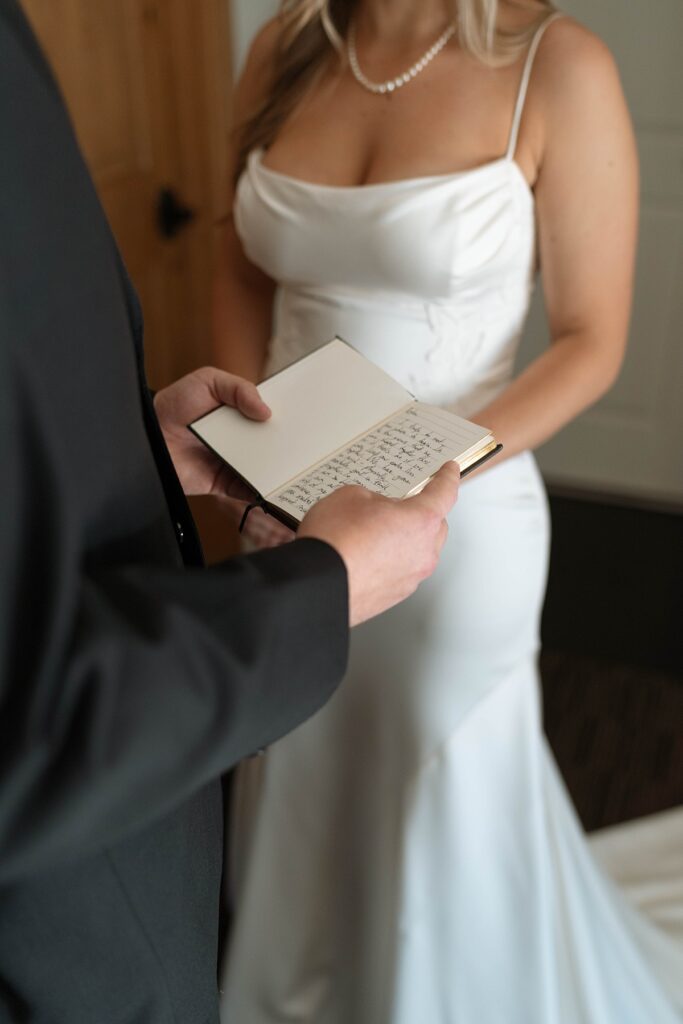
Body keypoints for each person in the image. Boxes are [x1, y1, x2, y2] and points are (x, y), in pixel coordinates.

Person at [214, 1, 683, 1021]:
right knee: (298, 751)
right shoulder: (282, 48)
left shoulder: (555, 65)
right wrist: (242, 454)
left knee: (433, 784)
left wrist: (424, 469)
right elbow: (241, 264)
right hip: (289, 516)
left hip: (454, 520)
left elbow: (590, 338)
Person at [0, 2, 461, 1021]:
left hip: (437, 497)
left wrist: (139, 459)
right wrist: (315, 588)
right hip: (58, 931)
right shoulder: (281, 48)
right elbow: (30, 722)